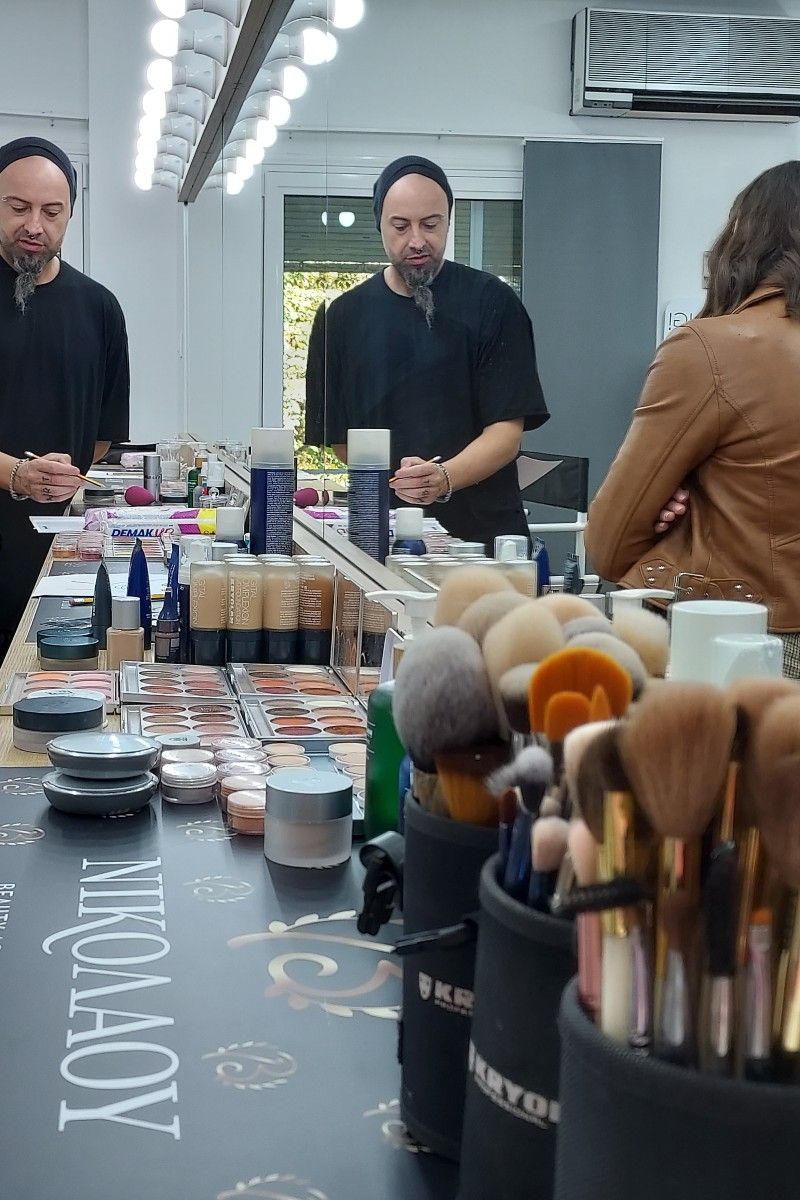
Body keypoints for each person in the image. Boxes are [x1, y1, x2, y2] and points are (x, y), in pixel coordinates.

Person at [585, 160, 800, 675]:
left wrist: (675, 524)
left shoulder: (709, 349)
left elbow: (608, 544)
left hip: (735, 644)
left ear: (745, 240)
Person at [304, 155, 549, 550]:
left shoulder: (493, 302)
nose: (417, 240)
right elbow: (342, 439)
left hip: (483, 534)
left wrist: (442, 478)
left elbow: (506, 433)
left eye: (431, 225)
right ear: (380, 226)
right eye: (401, 226)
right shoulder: (342, 317)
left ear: (448, 222)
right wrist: (401, 480)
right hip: (380, 532)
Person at [0, 137, 130, 653]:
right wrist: (16, 473)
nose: (35, 225)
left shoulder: (99, 308)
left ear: (70, 214)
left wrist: (59, 477)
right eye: (18, 208)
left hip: (58, 550)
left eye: (51, 212)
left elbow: (102, 435)